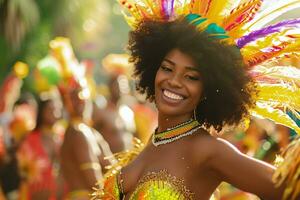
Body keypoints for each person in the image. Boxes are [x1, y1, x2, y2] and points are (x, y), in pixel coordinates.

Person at [93, 1, 300, 200]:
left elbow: (288, 189)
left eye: (191, 77)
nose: (174, 81)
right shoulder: (153, 142)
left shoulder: (207, 150)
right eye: (167, 68)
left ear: (207, 89)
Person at [60, 85, 113, 200]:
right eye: (74, 98)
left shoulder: (92, 133)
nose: (81, 102)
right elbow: (94, 181)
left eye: (83, 98)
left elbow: (112, 166)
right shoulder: (77, 131)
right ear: (66, 103)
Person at [17, 98, 62, 200]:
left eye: (57, 109)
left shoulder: (62, 137)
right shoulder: (29, 140)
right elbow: (23, 175)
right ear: (41, 112)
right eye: (50, 109)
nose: (54, 112)